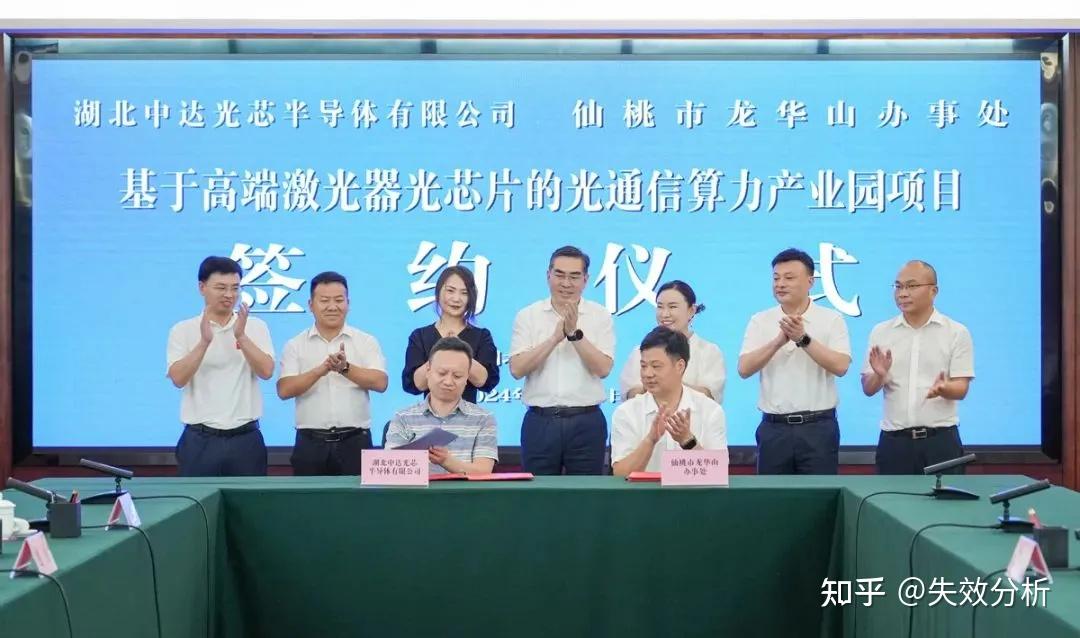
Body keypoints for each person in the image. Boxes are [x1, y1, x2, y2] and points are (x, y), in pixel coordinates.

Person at [737, 248, 851, 475]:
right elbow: (744, 369)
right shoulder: (760, 320)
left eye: (789, 278)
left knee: (820, 494)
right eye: (776, 278)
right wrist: (777, 342)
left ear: (810, 281)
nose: (780, 284)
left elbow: (841, 366)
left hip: (818, 428)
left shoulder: (831, 319)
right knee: (774, 494)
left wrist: (803, 339)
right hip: (774, 429)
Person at [509, 245, 615, 475]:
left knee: (588, 492)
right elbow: (516, 369)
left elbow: (604, 368)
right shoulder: (528, 316)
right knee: (538, 493)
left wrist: (574, 334)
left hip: (586, 421)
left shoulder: (600, 316)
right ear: (548, 275)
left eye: (574, 276)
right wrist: (554, 339)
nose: (566, 283)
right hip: (540, 421)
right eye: (559, 275)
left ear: (585, 280)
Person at [862, 261, 974, 474]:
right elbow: (867, 388)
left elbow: (961, 388)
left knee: (945, 496)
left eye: (911, 286)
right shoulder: (881, 332)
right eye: (898, 286)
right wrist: (879, 376)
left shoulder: (956, 332)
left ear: (934, 291)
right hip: (894, 443)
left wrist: (944, 388)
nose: (902, 293)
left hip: (940, 442)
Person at [166, 256, 274, 476]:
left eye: (235, 288)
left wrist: (241, 336)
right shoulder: (183, 329)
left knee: (251, 498)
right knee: (197, 498)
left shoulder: (255, 326)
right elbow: (178, 378)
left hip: (246, 438)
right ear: (202, 287)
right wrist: (204, 342)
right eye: (221, 288)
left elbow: (266, 371)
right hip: (200, 440)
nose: (229, 295)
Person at [277, 271, 388, 476]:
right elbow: (284, 390)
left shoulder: (365, 341)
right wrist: (321, 370)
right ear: (311, 305)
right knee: (309, 497)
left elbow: (380, 382)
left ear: (348, 303)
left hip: (355, 442)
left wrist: (345, 369)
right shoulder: (295, 345)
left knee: (358, 498)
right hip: (310, 443)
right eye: (324, 300)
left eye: (338, 300)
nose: (332, 306)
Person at [611, 327, 727, 476]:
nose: (647, 374)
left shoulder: (710, 411)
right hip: (643, 492)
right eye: (643, 366)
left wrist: (687, 440)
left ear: (680, 366)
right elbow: (620, 474)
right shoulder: (626, 413)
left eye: (656, 366)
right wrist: (650, 440)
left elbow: (718, 473)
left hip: (692, 492)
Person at [386, 337, 499, 475]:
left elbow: (483, 471)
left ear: (466, 378)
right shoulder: (403, 418)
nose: (448, 381)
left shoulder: (484, 419)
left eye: (457, 376)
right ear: (428, 371)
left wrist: (447, 461)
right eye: (442, 373)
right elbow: (389, 468)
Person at [402, 265, 499, 404]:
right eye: (450, 291)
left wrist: (460, 349)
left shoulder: (481, 336)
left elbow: (484, 380)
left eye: (464, 293)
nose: (456, 298)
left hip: (469, 416)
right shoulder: (420, 336)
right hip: (430, 416)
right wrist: (441, 352)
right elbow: (416, 384)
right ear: (438, 292)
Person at [618, 280, 726, 403]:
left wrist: (669, 384)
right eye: (660, 307)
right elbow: (630, 395)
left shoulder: (708, 351)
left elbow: (710, 397)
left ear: (691, 310)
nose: (665, 314)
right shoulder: (640, 351)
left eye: (672, 307)